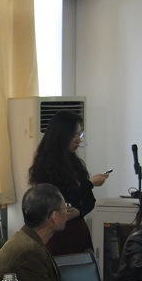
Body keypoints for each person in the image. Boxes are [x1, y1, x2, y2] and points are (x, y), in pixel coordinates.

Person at [28, 109, 110, 256]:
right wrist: (89, 184)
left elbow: (90, 201)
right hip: (58, 234)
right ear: (62, 135)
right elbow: (59, 201)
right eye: (74, 135)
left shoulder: (75, 163)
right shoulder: (46, 167)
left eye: (80, 134)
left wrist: (79, 212)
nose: (79, 140)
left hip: (77, 230)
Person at [0, 184, 66, 281]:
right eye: (65, 207)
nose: (67, 212)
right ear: (54, 216)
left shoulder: (29, 240)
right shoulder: (28, 251)